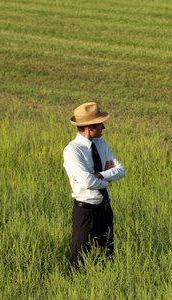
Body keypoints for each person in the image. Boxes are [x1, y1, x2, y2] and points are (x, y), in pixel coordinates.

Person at [63, 102, 125, 271]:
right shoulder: (72, 151)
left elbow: (120, 170)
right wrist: (108, 180)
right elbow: (87, 182)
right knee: (79, 263)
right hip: (86, 214)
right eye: (100, 123)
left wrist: (100, 175)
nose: (104, 127)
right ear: (90, 127)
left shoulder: (102, 144)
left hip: (105, 211)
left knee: (107, 260)